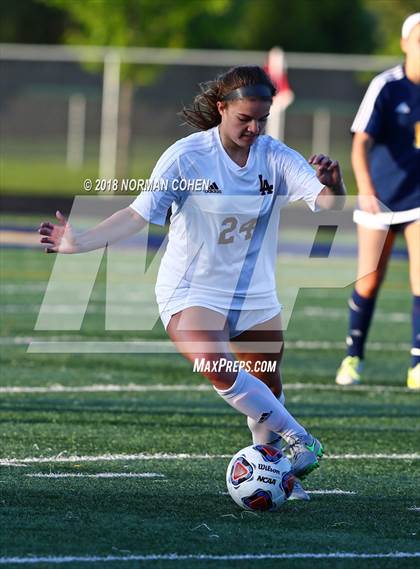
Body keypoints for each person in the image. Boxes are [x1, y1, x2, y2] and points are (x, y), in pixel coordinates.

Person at [39, 65, 345, 492]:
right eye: (244, 119)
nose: (254, 128)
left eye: (262, 119)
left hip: (255, 294)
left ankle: (277, 477)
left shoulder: (275, 156)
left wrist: (334, 184)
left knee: (267, 391)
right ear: (222, 108)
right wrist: (79, 242)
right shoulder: (187, 157)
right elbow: (137, 214)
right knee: (216, 365)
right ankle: (301, 440)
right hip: (191, 290)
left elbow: (328, 208)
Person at [335, 13, 420, 390]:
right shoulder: (386, 86)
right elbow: (359, 143)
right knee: (369, 281)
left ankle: (417, 364)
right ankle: (353, 356)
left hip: (418, 199)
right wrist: (366, 188)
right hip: (380, 199)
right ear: (405, 43)